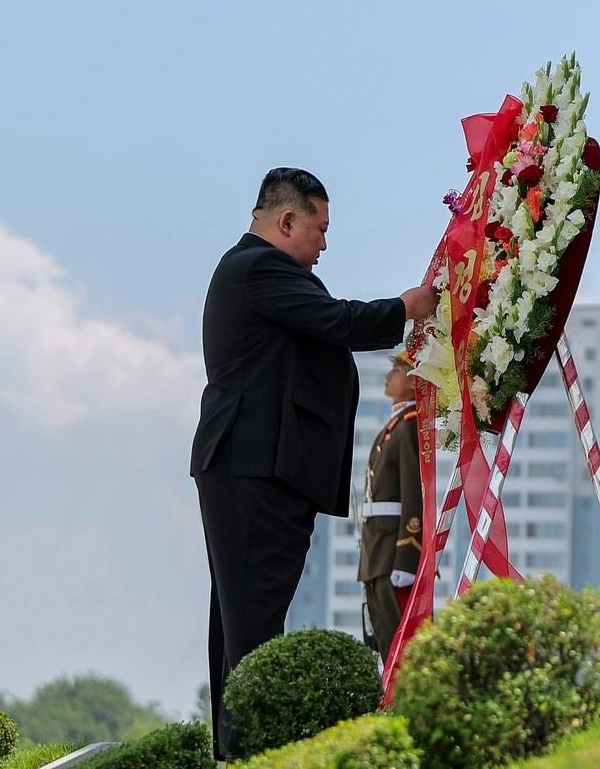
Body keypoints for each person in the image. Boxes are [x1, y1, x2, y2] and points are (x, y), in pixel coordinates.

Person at [190, 167, 437, 760]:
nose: (325, 244)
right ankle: (249, 753)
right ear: (287, 220)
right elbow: (339, 323)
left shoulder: (255, 271)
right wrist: (409, 306)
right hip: (256, 468)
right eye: (320, 228)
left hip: (256, 468)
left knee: (243, 622)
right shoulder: (259, 268)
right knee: (252, 627)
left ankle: (237, 751)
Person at [357, 348, 424, 661]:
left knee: (401, 645)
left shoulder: (409, 426)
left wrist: (407, 557)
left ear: (414, 381)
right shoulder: (395, 426)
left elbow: (413, 494)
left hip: (392, 552)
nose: (388, 376)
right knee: (384, 642)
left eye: (396, 370)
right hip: (377, 551)